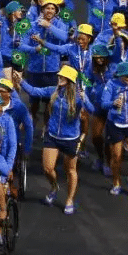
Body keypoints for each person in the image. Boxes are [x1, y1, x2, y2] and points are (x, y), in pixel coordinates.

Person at [17, 66, 92, 213]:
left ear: (70, 80)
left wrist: (85, 100)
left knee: (70, 170)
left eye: (63, 77)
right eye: (59, 76)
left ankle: (69, 199)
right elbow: (34, 91)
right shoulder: (54, 91)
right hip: (52, 136)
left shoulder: (78, 96)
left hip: (71, 138)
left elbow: (92, 110)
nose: (59, 78)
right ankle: (54, 187)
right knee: (47, 168)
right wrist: (21, 81)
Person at [100, 61, 128, 196]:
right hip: (115, 124)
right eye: (127, 76)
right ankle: (116, 182)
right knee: (116, 157)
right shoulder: (111, 85)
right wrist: (113, 103)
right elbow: (103, 104)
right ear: (120, 75)